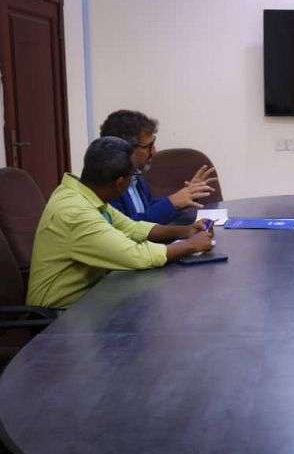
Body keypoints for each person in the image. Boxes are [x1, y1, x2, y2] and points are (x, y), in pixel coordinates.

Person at [26, 137, 215, 310]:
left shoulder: (85, 194)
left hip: (91, 298)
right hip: (59, 316)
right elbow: (136, 255)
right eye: (133, 176)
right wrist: (191, 245)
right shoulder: (76, 212)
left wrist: (187, 231)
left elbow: (132, 228)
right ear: (120, 182)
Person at [100, 110, 217, 224]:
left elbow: (149, 210)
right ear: (125, 149)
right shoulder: (108, 186)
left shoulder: (135, 175)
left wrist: (186, 197)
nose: (154, 152)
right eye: (147, 147)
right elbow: (127, 228)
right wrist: (172, 203)